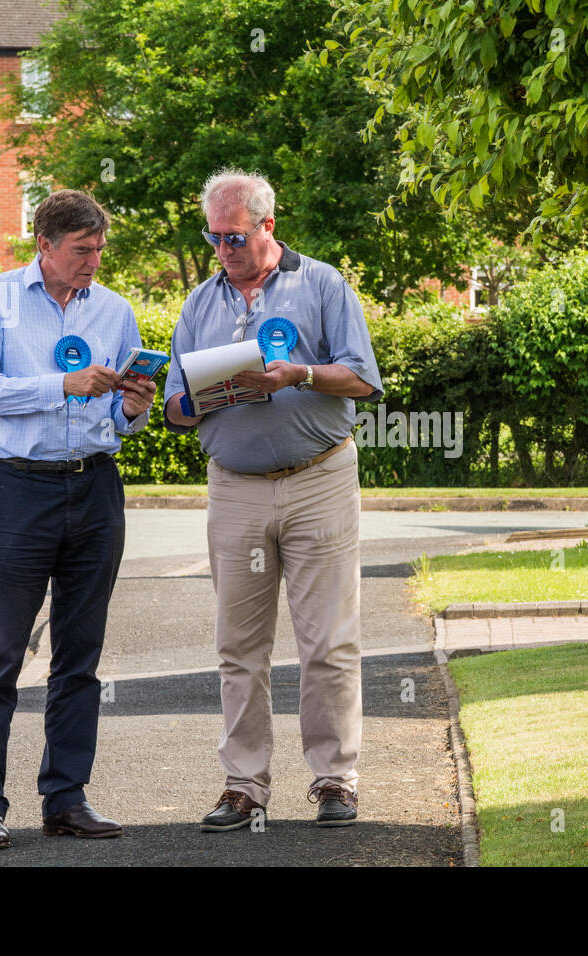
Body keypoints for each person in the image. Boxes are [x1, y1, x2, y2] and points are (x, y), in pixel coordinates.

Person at [163, 168, 382, 830]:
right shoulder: (199, 304)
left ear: (268, 227)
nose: (222, 249)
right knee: (239, 645)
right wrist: (208, 393)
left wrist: (301, 374)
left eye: (233, 236)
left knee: (328, 641)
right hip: (234, 488)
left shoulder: (322, 285)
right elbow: (175, 408)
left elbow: (364, 379)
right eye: (213, 236)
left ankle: (335, 779)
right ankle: (243, 784)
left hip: (318, 479)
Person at [0, 189, 156, 850]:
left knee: (81, 657)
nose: (93, 261)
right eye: (81, 250)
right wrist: (60, 386)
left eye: (99, 249)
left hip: (95, 489)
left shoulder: (116, 310)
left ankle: (66, 798)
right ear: (43, 245)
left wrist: (134, 407)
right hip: (18, 491)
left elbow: (125, 422)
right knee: (1, 655)